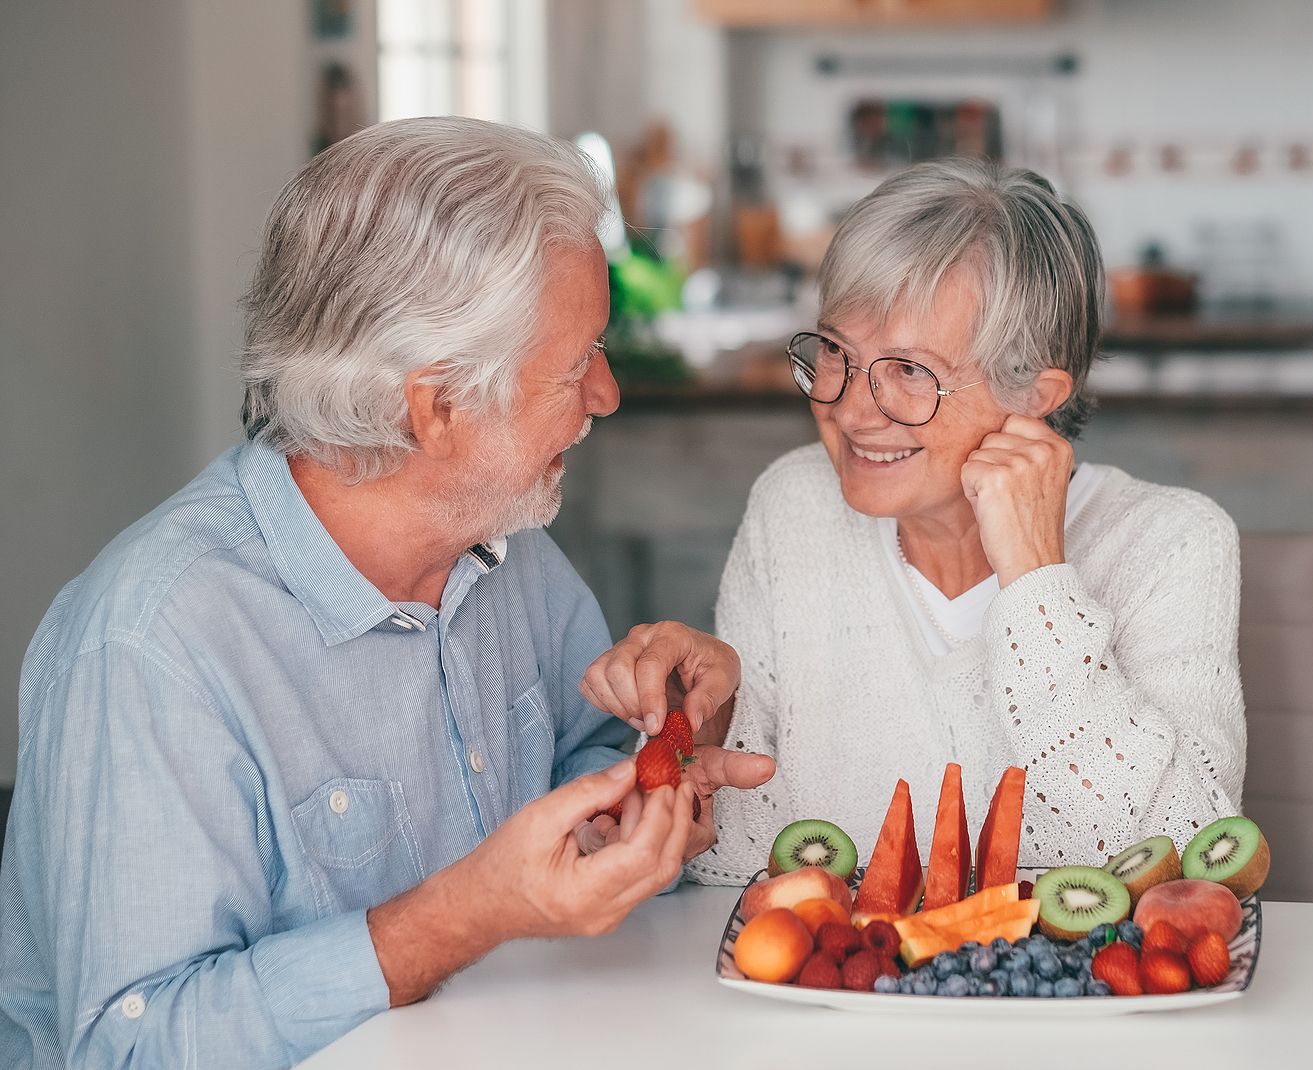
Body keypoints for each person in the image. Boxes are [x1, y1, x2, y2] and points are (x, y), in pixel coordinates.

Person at [0, 117, 767, 1068]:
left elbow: (585, 770)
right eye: (578, 364)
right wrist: (459, 916)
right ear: (435, 406)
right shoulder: (154, 645)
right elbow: (125, 1050)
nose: (606, 394)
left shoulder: (508, 550)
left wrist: (661, 766)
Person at [590, 158, 1244, 886]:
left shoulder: (1172, 543)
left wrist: (1036, 580)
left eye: (909, 371)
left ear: (1033, 394)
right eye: (836, 352)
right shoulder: (795, 504)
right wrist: (696, 740)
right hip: (837, 990)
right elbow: (740, 866)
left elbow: (1188, 865)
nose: (848, 408)